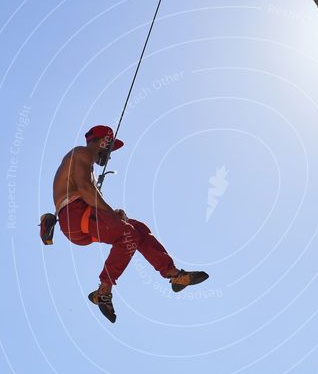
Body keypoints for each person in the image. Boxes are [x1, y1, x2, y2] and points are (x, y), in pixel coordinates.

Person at [41, 125, 209, 323]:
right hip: (75, 216)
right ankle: (104, 291)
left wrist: (113, 215)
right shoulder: (82, 153)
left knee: (137, 228)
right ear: (103, 142)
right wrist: (110, 214)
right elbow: (86, 190)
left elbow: (89, 194)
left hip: (79, 222)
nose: (110, 155)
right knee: (128, 233)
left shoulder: (85, 163)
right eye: (110, 147)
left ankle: (173, 274)